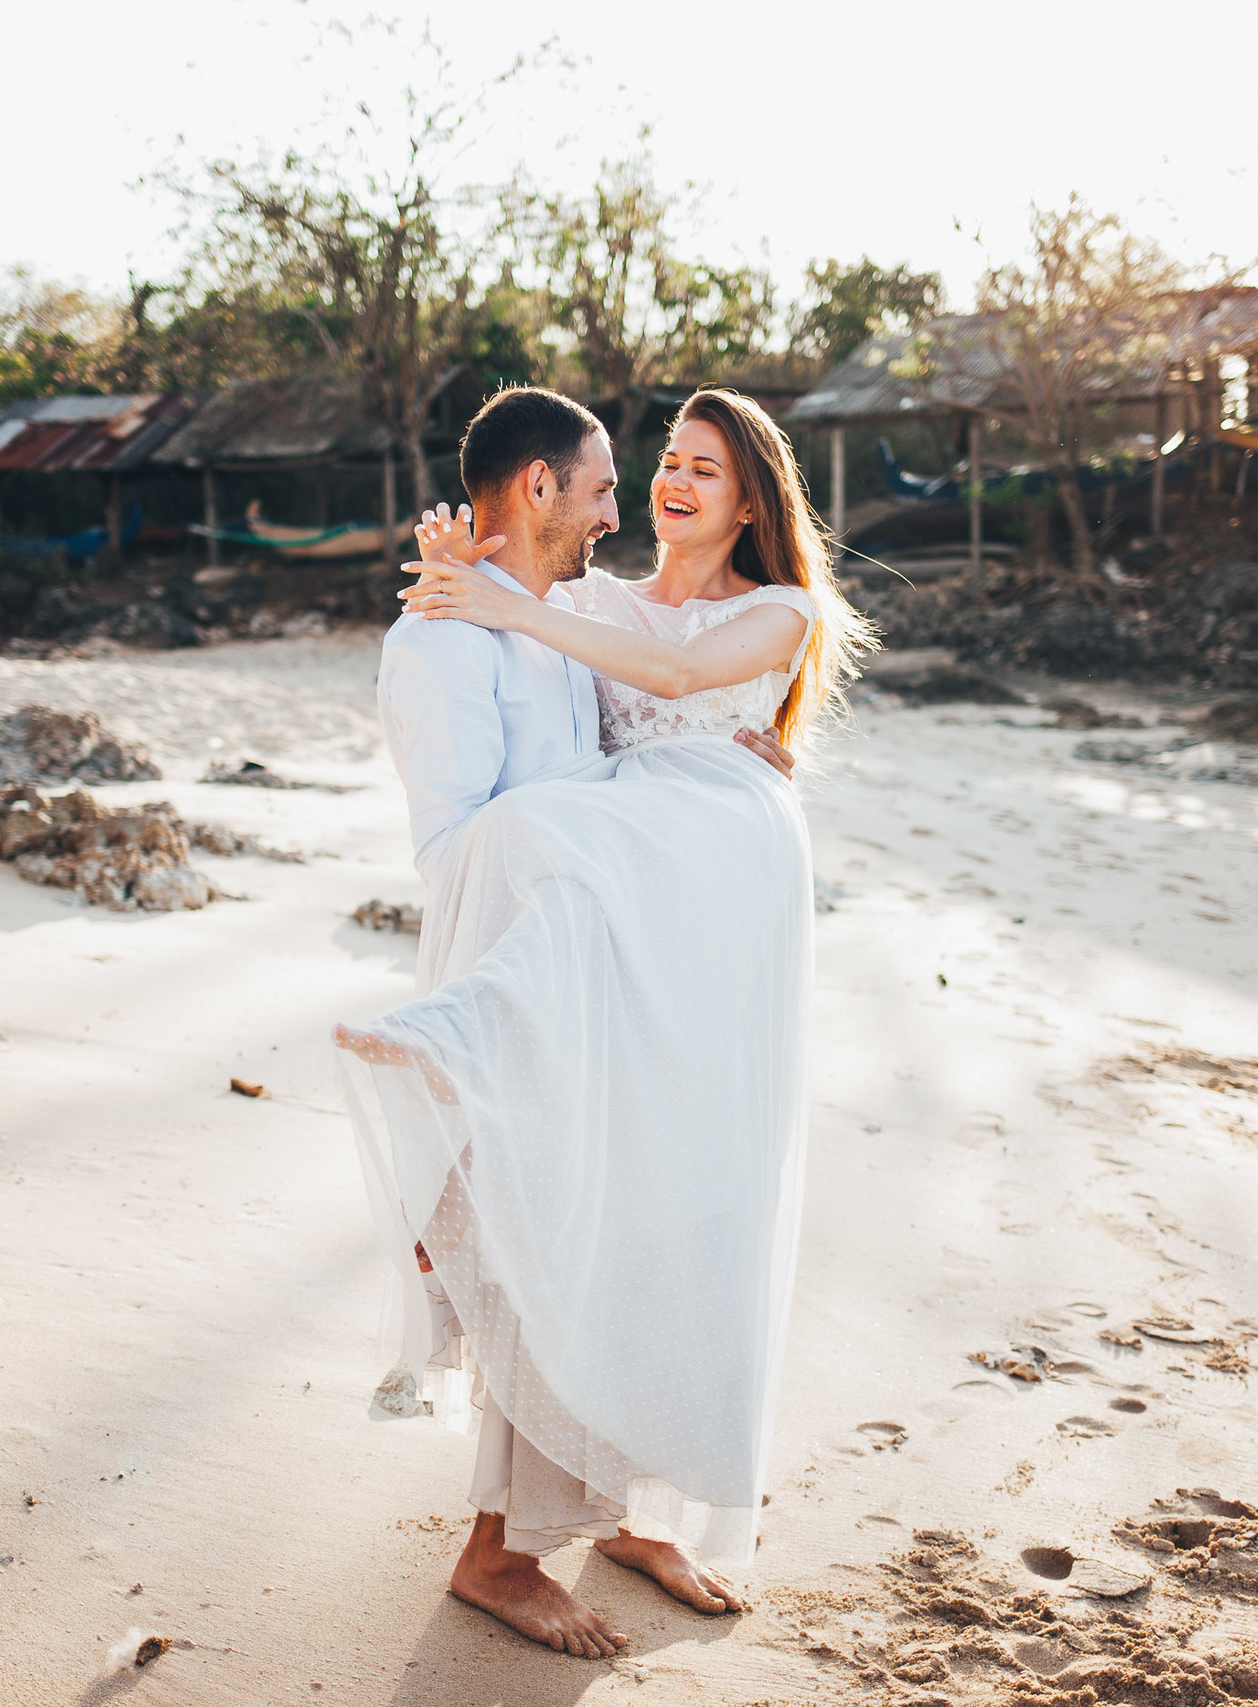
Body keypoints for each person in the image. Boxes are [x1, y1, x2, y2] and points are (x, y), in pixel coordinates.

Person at [337, 385, 873, 1659]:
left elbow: (682, 677)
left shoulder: (780, 607)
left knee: (692, 1201)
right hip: (619, 919)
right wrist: (462, 553)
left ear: (752, 498)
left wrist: (504, 588)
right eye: (654, 466)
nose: (663, 488)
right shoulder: (591, 600)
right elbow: (505, 592)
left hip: (715, 921)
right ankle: (506, 1541)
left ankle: (638, 1505)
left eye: (700, 469)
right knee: (596, 1202)